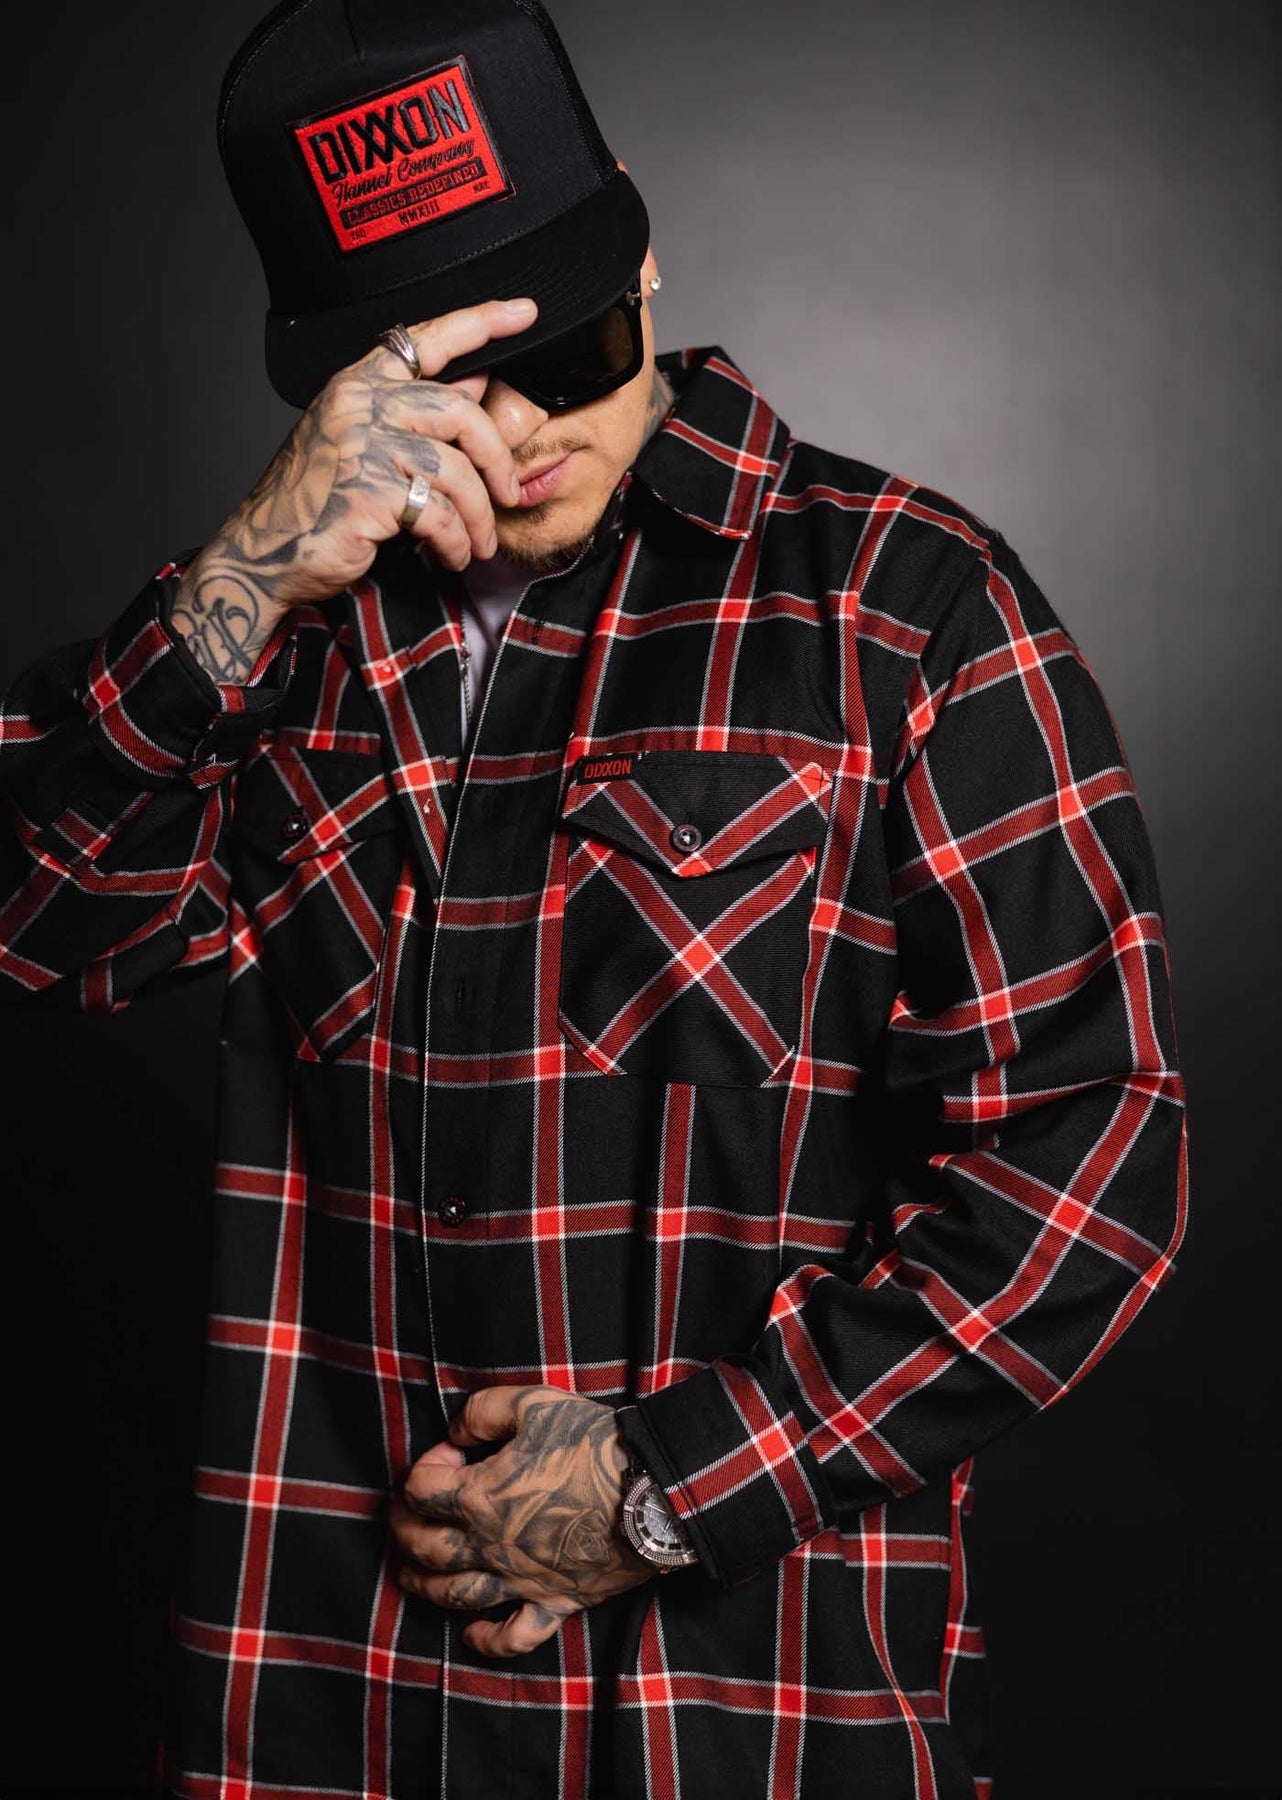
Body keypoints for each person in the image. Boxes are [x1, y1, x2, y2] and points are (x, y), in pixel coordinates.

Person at [0, 0, 1189, 1794]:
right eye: (435, 377)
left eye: (559, 343)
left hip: (739, 1718)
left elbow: (1087, 1165)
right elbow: (37, 922)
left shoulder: (907, 611)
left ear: (638, 248)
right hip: (316, 1712)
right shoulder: (280, 643)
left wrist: (663, 1489)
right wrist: (237, 580)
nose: (512, 426)